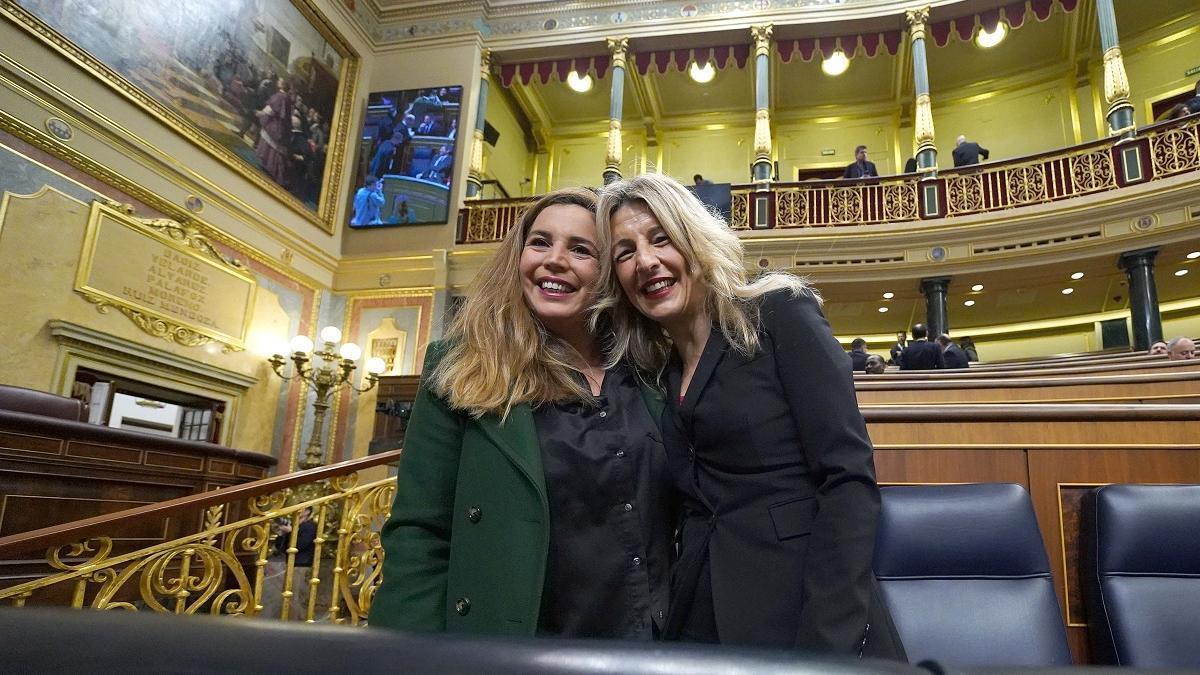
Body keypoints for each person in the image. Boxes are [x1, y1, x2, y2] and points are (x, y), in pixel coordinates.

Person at [596, 173, 905, 659]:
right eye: (625, 252)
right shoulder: (660, 369)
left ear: (694, 239)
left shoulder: (780, 313)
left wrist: (828, 642)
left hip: (806, 609)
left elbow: (847, 481)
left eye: (661, 238)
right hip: (702, 609)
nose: (646, 261)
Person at [372, 188, 673, 639]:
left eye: (581, 249)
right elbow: (419, 531)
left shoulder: (653, 369)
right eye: (540, 242)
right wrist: (411, 652)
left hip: (647, 638)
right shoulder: (461, 365)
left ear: (609, 273)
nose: (555, 259)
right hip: (518, 641)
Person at [254, 78, 292, 185]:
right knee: (275, 147)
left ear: (282, 85)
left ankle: (269, 167)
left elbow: (271, 109)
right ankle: (270, 168)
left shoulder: (280, 96)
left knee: (271, 143)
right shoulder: (287, 97)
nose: (278, 81)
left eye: (280, 81)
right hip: (281, 126)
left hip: (275, 124)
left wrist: (260, 113)